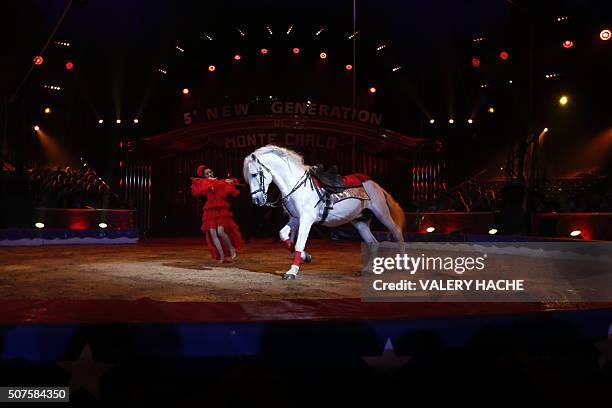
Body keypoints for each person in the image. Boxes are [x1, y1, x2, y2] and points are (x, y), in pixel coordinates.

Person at [191, 165, 243, 263]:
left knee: (220, 231)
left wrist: (225, 181)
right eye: (206, 174)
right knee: (213, 234)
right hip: (210, 210)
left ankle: (231, 248)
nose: (209, 174)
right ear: (204, 176)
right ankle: (222, 257)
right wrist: (196, 183)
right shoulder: (204, 183)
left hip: (221, 209)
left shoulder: (219, 182)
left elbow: (228, 187)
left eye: (210, 172)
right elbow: (200, 190)